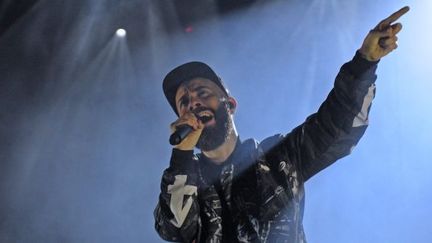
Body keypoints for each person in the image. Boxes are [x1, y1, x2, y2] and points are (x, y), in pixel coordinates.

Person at [154, 6, 409, 243]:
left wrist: (364, 62)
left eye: (201, 92)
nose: (193, 104)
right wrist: (181, 156)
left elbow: (338, 127)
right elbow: (174, 227)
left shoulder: (278, 158)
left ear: (230, 104)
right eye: (184, 102)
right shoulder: (186, 178)